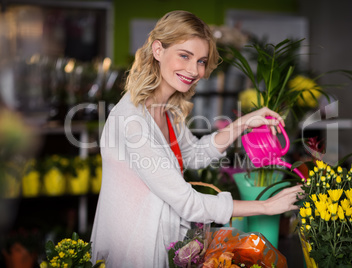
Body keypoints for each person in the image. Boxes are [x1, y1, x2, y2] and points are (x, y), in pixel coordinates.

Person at [90, 10, 302, 267]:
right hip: (136, 248)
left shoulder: (164, 109)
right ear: (158, 50)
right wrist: (265, 207)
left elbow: (194, 155)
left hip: (161, 242)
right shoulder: (132, 121)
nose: (194, 70)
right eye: (184, 56)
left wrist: (243, 124)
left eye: (201, 61)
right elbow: (188, 203)